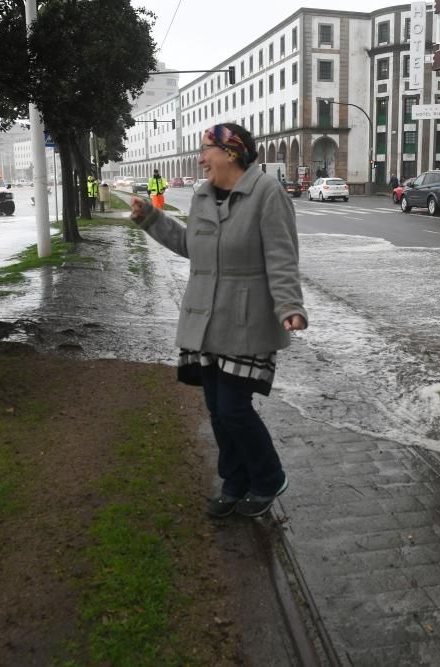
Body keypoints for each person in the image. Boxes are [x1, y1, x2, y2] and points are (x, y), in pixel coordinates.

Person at [130, 123, 308, 519]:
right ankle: (235, 481)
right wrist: (153, 219)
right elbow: (190, 245)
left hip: (247, 318)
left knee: (233, 408)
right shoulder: (202, 195)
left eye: (205, 149)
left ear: (231, 152)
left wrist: (289, 307)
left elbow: (281, 257)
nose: (200, 158)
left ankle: (268, 477)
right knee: (216, 407)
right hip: (205, 318)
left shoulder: (267, 193)